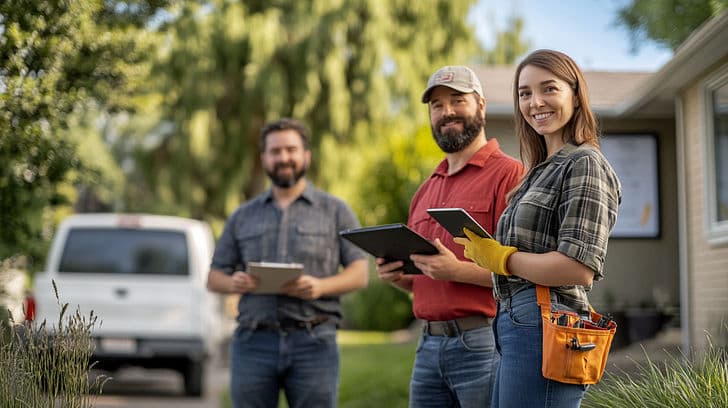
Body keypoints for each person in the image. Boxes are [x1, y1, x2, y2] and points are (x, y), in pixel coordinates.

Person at [455, 49, 622, 407]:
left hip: (546, 323)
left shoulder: (585, 164)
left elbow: (578, 268)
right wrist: (491, 255)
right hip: (515, 322)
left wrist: (503, 259)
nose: (536, 102)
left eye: (549, 89)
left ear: (575, 96)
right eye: (525, 93)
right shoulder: (538, 171)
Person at [377, 65, 524, 408]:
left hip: (483, 343)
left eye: (457, 100)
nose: (447, 112)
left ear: (481, 106)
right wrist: (399, 278)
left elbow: (524, 273)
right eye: (437, 106)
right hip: (427, 347)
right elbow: (428, 277)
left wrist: (456, 270)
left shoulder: (510, 174)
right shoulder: (426, 189)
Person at [207, 118, 369, 408]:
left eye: (291, 149)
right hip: (253, 342)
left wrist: (319, 287)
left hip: (314, 342)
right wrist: (235, 282)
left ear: (306, 155)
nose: (284, 158)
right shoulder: (242, 216)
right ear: (264, 158)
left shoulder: (336, 211)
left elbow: (359, 273)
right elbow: (214, 277)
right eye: (275, 151)